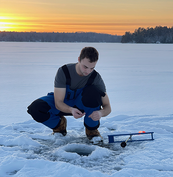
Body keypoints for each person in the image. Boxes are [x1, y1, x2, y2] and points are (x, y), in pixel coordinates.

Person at [27, 47, 111, 140]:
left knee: (93, 92)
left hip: (81, 104)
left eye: (92, 68)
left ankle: (91, 130)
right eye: (85, 67)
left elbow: (107, 106)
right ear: (79, 59)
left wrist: (101, 113)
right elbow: (58, 102)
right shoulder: (64, 71)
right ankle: (59, 126)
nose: (88, 71)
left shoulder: (96, 78)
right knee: (35, 108)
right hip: (63, 103)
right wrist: (71, 110)